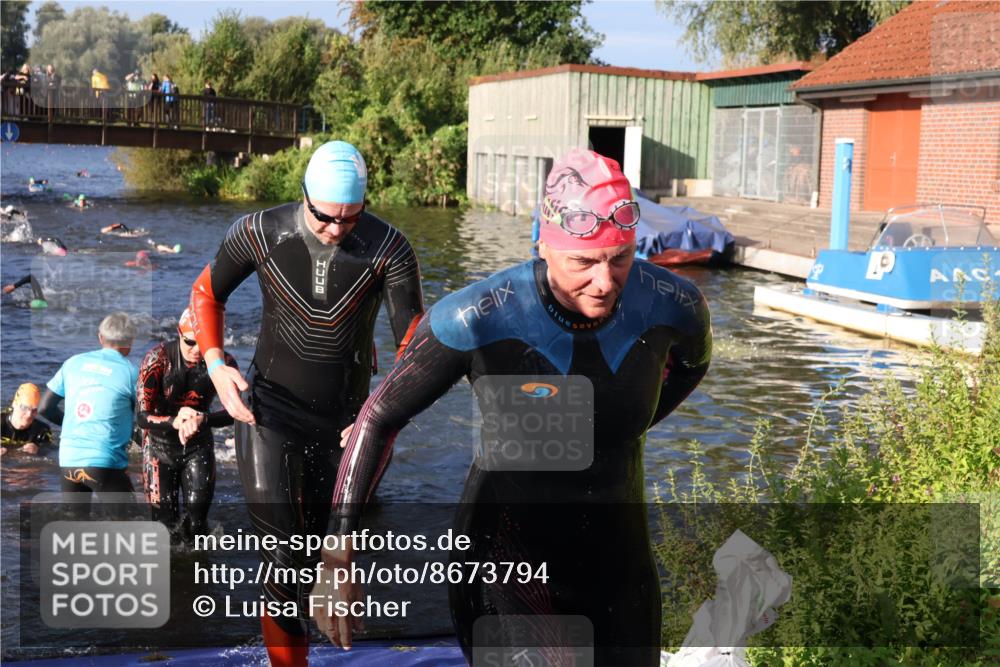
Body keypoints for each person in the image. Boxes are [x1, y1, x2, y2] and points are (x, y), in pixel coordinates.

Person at [318, 149, 713, 665]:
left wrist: (618, 427)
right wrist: (337, 554)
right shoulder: (477, 316)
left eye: (620, 257)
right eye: (584, 261)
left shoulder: (672, 305)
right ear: (543, 245)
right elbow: (378, 417)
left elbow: (692, 365)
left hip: (618, 562)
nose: (605, 281)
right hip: (506, 562)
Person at [188, 140, 424, 665]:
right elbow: (207, 294)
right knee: (284, 552)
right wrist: (215, 363)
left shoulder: (389, 248)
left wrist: (383, 412)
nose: (338, 230)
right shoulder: (260, 231)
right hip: (268, 408)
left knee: (332, 551)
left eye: (350, 219)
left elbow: (413, 343)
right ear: (304, 197)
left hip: (349, 421)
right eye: (325, 218)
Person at [137, 309, 238, 545]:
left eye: (204, 344)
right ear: (178, 334)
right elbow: (141, 417)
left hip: (198, 447)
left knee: (197, 525)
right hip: (158, 448)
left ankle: (199, 574)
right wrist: (174, 420)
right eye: (190, 342)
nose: (197, 350)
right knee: (164, 528)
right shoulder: (158, 359)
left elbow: (236, 412)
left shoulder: (224, 363)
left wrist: (203, 418)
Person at [39, 312, 140, 498]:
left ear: (100, 337)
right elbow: (145, 416)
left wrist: (76, 425)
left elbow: (44, 408)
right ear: (131, 342)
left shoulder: (72, 363)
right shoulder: (131, 373)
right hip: (104, 460)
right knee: (131, 523)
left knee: (74, 523)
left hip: (69, 460)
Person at [1, 383, 52, 457]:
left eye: (34, 410)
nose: (29, 415)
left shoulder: (42, 432)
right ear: (14, 404)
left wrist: (38, 450)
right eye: (24, 407)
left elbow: (51, 452)